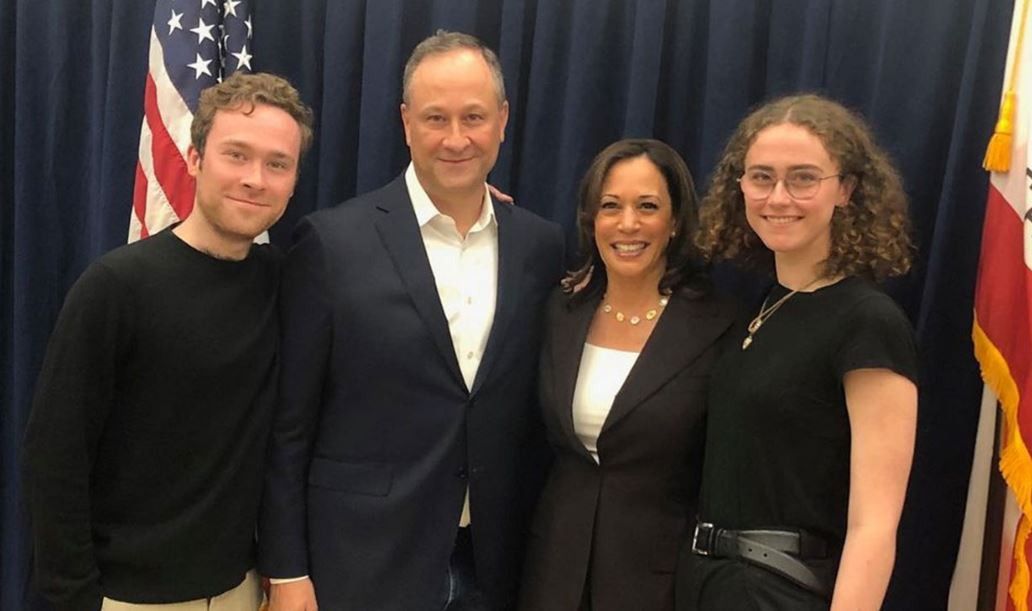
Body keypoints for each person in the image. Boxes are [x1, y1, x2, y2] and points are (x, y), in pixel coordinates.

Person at [258, 31, 565, 611]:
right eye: (435, 117)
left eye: (473, 116)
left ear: (502, 120)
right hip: (362, 561)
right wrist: (286, 566)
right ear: (405, 122)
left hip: (496, 563)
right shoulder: (331, 243)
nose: (456, 138)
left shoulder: (540, 246)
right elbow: (288, 424)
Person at [21, 72, 314, 611]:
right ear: (196, 158)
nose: (255, 178)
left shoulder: (287, 282)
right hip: (127, 599)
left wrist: (466, 198)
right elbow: (55, 457)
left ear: (294, 180)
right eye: (236, 155)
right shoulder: (116, 287)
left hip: (241, 592)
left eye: (277, 163)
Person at [677, 94, 918, 611]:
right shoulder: (763, 307)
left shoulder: (868, 322)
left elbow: (874, 524)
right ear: (738, 185)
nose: (778, 197)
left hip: (782, 591)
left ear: (847, 190)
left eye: (804, 178)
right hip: (706, 581)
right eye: (761, 177)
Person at [517, 139, 738, 611]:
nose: (628, 224)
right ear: (591, 220)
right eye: (611, 206)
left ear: (676, 221)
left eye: (648, 206)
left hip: (660, 582)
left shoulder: (717, 326)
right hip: (553, 572)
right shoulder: (562, 310)